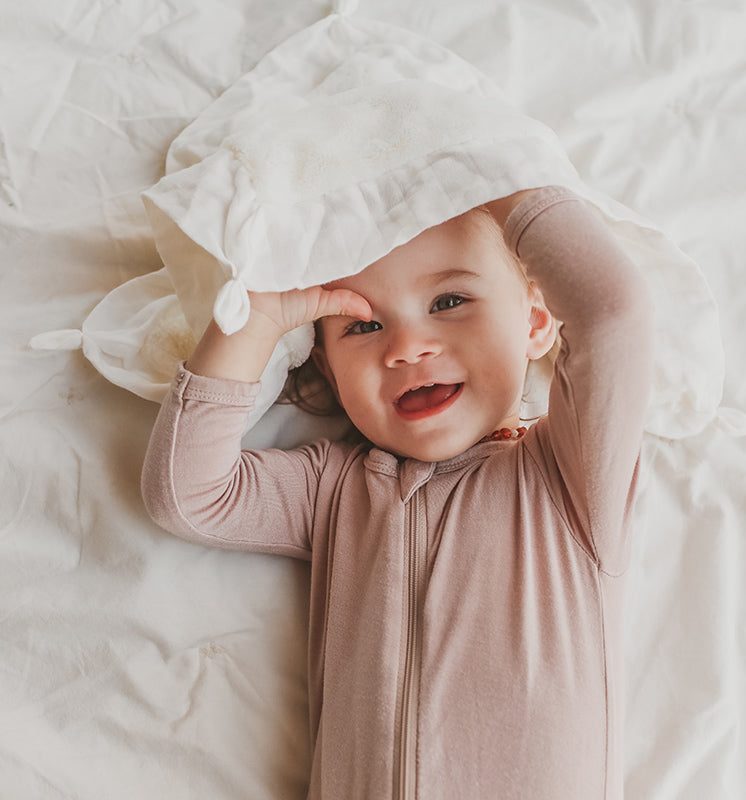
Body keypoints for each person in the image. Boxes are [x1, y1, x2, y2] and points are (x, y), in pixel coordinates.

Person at [141, 185, 655, 799]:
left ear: (536, 323)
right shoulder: (334, 491)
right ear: (329, 370)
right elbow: (188, 493)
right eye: (363, 325)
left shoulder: (568, 480)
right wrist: (256, 321)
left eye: (450, 300)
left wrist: (496, 179)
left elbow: (613, 313)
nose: (408, 348)